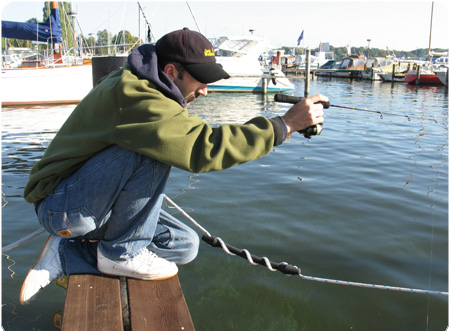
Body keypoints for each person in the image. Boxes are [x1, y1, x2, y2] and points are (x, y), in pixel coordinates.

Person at [19, 27, 327, 305]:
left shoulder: (148, 87)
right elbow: (202, 147)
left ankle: (70, 251)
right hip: (61, 207)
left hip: (90, 203)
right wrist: (283, 125)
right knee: (153, 149)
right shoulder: (137, 97)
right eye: (201, 79)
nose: (205, 89)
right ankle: (117, 253)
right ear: (170, 71)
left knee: (185, 245)